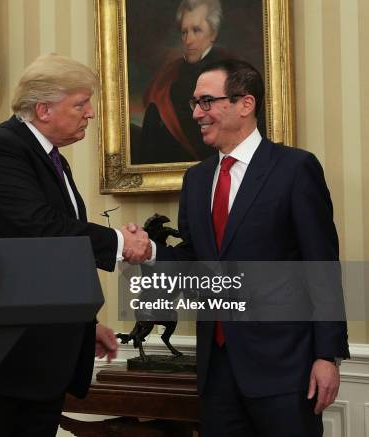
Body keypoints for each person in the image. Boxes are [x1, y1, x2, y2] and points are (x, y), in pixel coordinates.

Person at [130, 59, 349, 436]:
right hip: (217, 373)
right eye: (195, 104)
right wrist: (149, 251)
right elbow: (194, 261)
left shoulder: (294, 168)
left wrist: (326, 356)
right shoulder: (197, 180)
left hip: (285, 369)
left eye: (207, 102)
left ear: (245, 104)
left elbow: (321, 265)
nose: (197, 113)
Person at [0, 53, 151, 436]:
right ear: (43, 109)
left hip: (42, 355)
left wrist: (83, 323)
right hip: (10, 357)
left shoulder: (49, 159)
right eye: (80, 103)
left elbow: (57, 258)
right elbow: (41, 230)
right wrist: (118, 242)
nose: (90, 113)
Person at [135, 0, 227, 164]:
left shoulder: (229, 69)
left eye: (196, 30)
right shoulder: (169, 74)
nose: (188, 40)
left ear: (213, 33)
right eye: (184, 32)